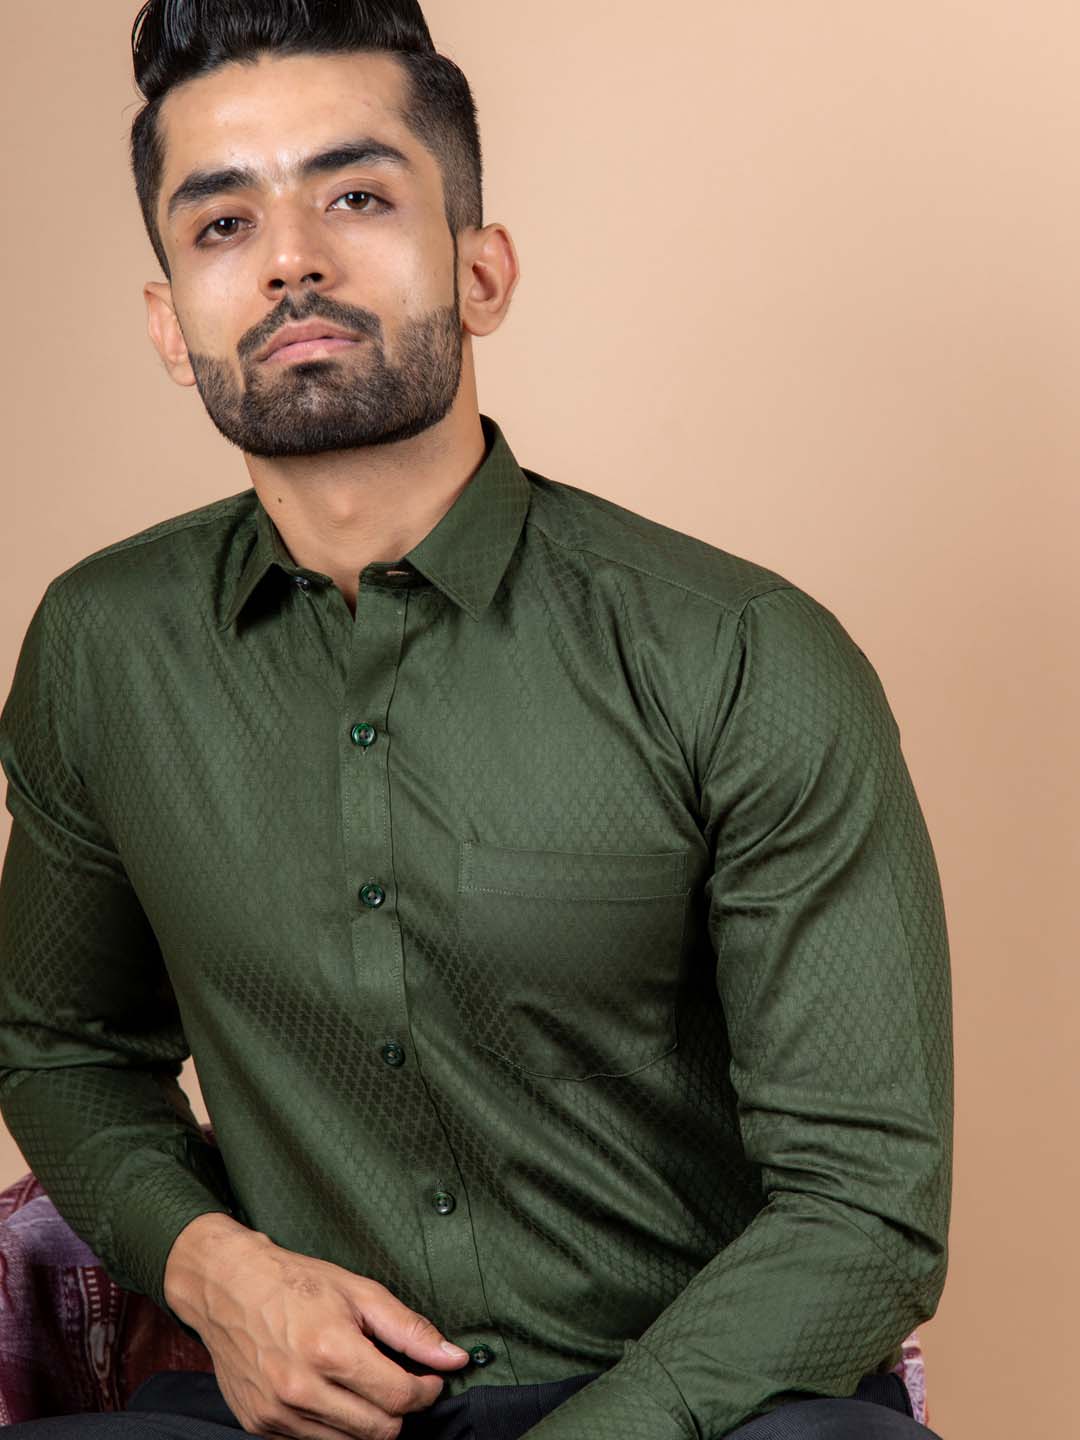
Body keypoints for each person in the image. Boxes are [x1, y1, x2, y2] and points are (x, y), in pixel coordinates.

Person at [0, 3, 953, 1438]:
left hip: (699, 1413)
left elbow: (867, 1206)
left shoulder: (743, 654)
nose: (292, 258)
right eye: (223, 224)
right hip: (306, 1417)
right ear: (168, 324)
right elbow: (63, 1046)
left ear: (483, 270)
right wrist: (220, 1275)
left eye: (358, 197)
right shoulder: (102, 650)